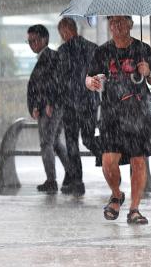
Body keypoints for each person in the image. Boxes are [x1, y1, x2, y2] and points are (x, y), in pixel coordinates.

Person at [85, 15, 151, 224]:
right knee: (108, 162)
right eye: (112, 22)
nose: (116, 26)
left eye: (120, 21)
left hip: (137, 113)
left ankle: (134, 209)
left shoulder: (143, 50)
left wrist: (149, 73)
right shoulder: (102, 51)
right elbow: (89, 77)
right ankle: (117, 194)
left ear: (130, 24)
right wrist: (90, 82)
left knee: (138, 161)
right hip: (111, 114)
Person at [56, 17, 98, 196]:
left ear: (66, 31)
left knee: (72, 143)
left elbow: (59, 81)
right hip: (89, 103)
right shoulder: (93, 48)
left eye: (61, 33)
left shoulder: (63, 51)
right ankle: (106, 156)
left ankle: (78, 181)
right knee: (88, 138)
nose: (62, 36)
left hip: (71, 105)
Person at [26, 24, 69, 194]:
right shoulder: (47, 57)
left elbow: (54, 82)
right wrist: (35, 105)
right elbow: (42, 85)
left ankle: (51, 180)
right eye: (29, 41)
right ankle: (72, 173)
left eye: (34, 40)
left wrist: (50, 102)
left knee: (46, 143)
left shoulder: (50, 57)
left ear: (44, 39)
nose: (31, 44)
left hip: (50, 107)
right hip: (48, 105)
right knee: (55, 143)